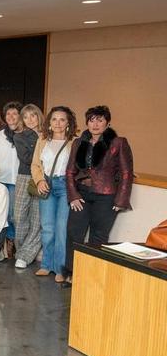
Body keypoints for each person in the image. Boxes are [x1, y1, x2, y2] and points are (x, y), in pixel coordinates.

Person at [64, 106, 133, 284]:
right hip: (82, 194)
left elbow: (126, 172)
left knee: (98, 237)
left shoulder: (118, 142)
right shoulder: (79, 142)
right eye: (92, 120)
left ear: (107, 123)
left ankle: (92, 276)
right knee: (74, 233)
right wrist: (73, 195)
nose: (95, 124)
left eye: (100, 120)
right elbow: (70, 171)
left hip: (106, 196)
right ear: (87, 123)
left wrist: (121, 199)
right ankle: (72, 273)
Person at [31, 106, 77, 282]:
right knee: (48, 228)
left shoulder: (75, 142)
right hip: (47, 184)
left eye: (62, 119)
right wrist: (39, 181)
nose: (58, 123)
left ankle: (60, 269)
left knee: (61, 228)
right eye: (54, 119)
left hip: (65, 186)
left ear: (68, 123)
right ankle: (46, 265)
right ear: (49, 122)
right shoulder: (42, 140)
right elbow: (35, 165)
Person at [0, 102, 22, 258]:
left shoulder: (25, 134)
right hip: (1, 180)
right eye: (8, 114)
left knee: (14, 215)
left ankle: (13, 241)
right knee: (1, 214)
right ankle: (3, 243)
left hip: (18, 181)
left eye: (15, 113)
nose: (11, 117)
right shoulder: (0, 135)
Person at [12, 104, 44, 269]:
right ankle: (24, 251)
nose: (30, 120)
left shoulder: (49, 135)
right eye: (25, 117)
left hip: (43, 178)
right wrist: (39, 142)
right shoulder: (19, 136)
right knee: (19, 217)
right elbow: (27, 158)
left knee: (37, 218)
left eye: (33, 115)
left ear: (39, 116)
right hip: (25, 177)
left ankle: (25, 255)